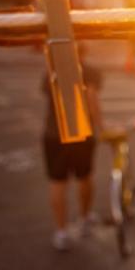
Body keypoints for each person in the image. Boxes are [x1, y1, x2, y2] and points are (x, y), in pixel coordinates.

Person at [41, 51, 103, 251]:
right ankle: (84, 220)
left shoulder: (51, 70)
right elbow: (92, 98)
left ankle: (61, 231)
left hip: (53, 133)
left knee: (57, 182)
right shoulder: (90, 71)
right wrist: (99, 127)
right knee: (84, 176)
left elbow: (47, 93)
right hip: (81, 132)